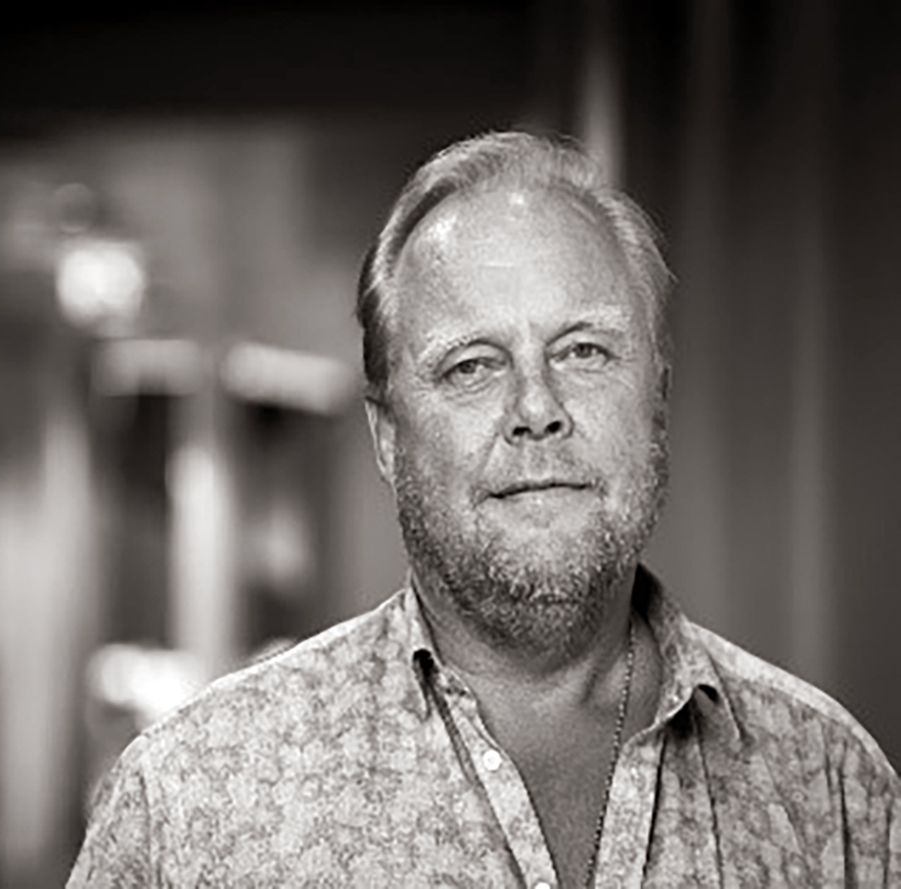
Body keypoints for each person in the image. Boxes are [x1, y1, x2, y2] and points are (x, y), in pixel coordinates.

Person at [67, 132, 900, 887]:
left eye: (583, 351)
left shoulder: (833, 786)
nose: (536, 407)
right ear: (387, 436)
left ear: (656, 399)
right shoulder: (191, 800)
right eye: (471, 365)